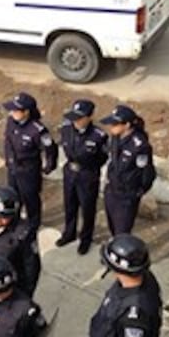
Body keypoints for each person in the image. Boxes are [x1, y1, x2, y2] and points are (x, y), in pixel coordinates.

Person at [56, 99, 109, 255]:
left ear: (89, 117)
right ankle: (69, 233)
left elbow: (103, 158)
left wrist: (90, 168)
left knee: (87, 209)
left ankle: (85, 239)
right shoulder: (66, 129)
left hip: (88, 175)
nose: (76, 121)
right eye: (74, 117)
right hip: (70, 173)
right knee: (69, 205)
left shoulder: (99, 136)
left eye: (80, 118)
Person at [3, 92, 58, 230]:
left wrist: (49, 165)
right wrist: (9, 160)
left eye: (16, 110)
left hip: (29, 170)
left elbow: (50, 147)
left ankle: (33, 223)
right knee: (13, 196)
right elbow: (8, 140)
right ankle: (14, 220)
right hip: (13, 168)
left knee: (30, 199)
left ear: (26, 112)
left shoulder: (37, 130)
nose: (12, 113)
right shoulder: (11, 122)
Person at [100, 105, 156, 236]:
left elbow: (147, 172)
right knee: (112, 227)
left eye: (115, 124)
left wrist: (139, 192)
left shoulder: (140, 146)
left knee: (122, 231)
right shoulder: (115, 137)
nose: (111, 127)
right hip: (112, 190)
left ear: (127, 125)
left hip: (127, 195)